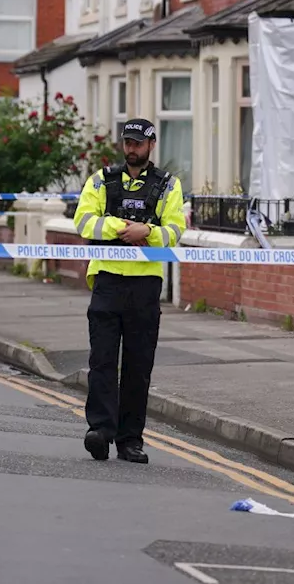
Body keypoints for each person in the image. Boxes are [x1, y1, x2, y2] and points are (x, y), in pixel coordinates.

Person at [72, 118, 185, 464]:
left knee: (138, 367)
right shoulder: (100, 180)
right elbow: (83, 222)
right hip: (106, 280)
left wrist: (147, 232)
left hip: (144, 287)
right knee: (102, 361)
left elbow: (175, 230)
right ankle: (100, 432)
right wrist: (121, 226)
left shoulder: (168, 186)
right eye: (128, 142)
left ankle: (130, 440)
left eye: (138, 142)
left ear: (152, 145)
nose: (132, 148)